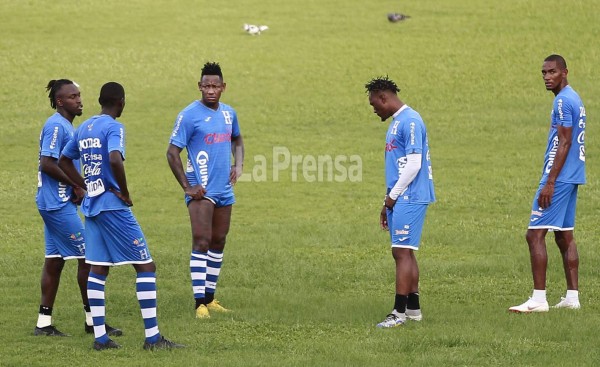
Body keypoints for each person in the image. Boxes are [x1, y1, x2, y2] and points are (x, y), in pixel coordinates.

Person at [58, 82, 184, 350]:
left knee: (98, 269)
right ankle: (153, 339)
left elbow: (63, 161)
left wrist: (83, 184)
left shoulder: (86, 126)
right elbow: (115, 159)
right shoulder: (114, 127)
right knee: (146, 266)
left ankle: (100, 338)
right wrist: (124, 192)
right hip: (112, 206)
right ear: (121, 102)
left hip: (91, 206)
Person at [34, 79, 121, 338]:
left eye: (80, 95)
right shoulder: (57, 126)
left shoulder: (64, 125)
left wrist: (73, 186)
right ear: (60, 101)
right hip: (56, 205)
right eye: (72, 97)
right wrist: (77, 185)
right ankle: (93, 321)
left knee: (55, 262)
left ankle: (43, 323)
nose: (79, 100)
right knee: (89, 258)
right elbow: (47, 163)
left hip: (54, 202)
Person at [166, 62, 244, 319]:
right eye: (206, 86)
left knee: (218, 241)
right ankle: (199, 302)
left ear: (224, 87)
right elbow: (172, 152)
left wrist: (239, 164)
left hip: (224, 189)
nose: (211, 90)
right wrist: (187, 187)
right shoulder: (189, 115)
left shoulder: (229, 113)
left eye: (215, 86)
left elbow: (237, 139)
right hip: (202, 191)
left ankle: (210, 298)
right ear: (199, 87)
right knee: (201, 241)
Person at [509, 55, 586, 313]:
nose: (546, 77)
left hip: (560, 177)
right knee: (564, 236)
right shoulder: (574, 97)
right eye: (543, 72)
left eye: (552, 72)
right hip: (573, 174)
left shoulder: (563, 101)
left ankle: (539, 300)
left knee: (534, 234)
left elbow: (564, 142)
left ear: (565, 72)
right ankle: (572, 298)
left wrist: (550, 182)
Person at [365, 76, 435, 328]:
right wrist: (388, 201)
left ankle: (399, 312)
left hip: (411, 196)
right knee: (405, 251)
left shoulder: (411, 121)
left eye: (375, 105)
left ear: (384, 97)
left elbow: (415, 164)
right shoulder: (397, 123)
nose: (375, 110)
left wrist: (393, 197)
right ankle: (413, 310)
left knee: (402, 253)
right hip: (400, 196)